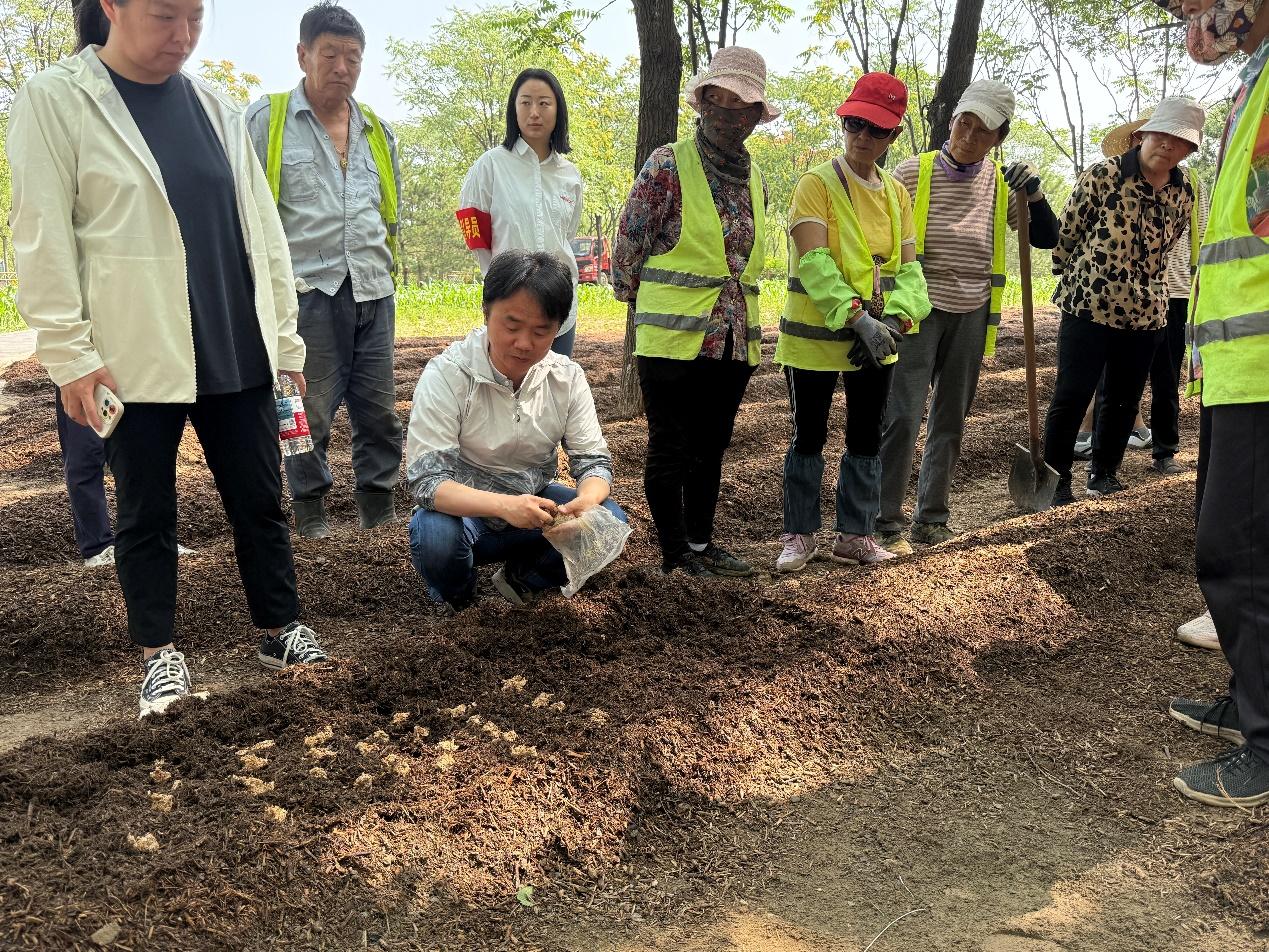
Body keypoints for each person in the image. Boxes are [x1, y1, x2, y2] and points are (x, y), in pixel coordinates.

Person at [9, 0, 327, 717]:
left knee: (258, 499)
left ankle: (280, 628)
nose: (182, 36)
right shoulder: (56, 100)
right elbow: (41, 237)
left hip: (234, 340)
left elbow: (263, 233)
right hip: (133, 348)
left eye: (195, 18)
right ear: (111, 7)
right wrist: (70, 355)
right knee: (146, 511)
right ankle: (159, 655)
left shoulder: (215, 107)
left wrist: (284, 342)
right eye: (163, 16)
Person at [1151, 0, 1269, 808]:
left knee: (1237, 553)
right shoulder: (1252, 83)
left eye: (1194, 3)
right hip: (1236, 364)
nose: (1190, 20)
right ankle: (1246, 699)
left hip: (1261, 364)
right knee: (1232, 544)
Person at [877, 80, 1060, 556]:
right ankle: (885, 520)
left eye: (983, 131)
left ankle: (931, 518)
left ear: (999, 138)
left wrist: (1035, 194)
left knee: (950, 417)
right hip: (916, 308)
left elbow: (1046, 238)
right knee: (902, 414)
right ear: (953, 120)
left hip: (972, 308)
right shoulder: (912, 172)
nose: (969, 136)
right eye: (965, 123)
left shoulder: (1003, 184)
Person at [613, 47, 776, 578]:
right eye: (719, 102)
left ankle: (702, 545)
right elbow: (630, 244)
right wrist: (640, 301)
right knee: (672, 446)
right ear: (702, 104)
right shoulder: (669, 164)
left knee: (712, 445)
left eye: (742, 107)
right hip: (672, 337)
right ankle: (675, 555)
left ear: (756, 116)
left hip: (732, 337)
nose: (729, 116)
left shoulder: (755, 179)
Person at [246, 2, 404, 540]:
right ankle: (309, 509)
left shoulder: (378, 131)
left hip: (373, 291)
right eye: (330, 54)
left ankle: (378, 506)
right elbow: (243, 211)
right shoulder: (265, 122)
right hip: (304, 294)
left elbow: (389, 213)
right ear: (303, 54)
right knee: (301, 409)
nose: (342, 67)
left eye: (352, 58)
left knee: (379, 411)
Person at [405, 250, 625, 610]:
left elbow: (594, 463)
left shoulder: (566, 378)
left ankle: (523, 578)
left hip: (534, 502)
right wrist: (505, 505)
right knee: (435, 536)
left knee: (609, 518)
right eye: (512, 326)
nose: (524, 343)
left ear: (559, 328)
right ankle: (458, 594)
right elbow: (428, 482)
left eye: (541, 331)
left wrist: (585, 502)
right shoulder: (448, 375)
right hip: (466, 512)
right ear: (486, 311)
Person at [773, 72, 931, 573]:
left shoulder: (896, 193)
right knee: (808, 432)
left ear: (893, 135)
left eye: (877, 129)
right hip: (816, 337)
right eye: (855, 124)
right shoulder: (816, 184)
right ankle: (800, 533)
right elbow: (814, 261)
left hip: (877, 338)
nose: (863, 136)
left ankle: (855, 535)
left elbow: (909, 268)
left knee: (866, 432)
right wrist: (858, 318)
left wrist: (896, 320)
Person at [1042, 97, 1201, 505]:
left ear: (1188, 149)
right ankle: (1056, 480)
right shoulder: (1104, 175)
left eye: (1180, 140)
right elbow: (1067, 234)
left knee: (1124, 397)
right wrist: (1078, 276)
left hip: (1147, 312)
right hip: (1089, 305)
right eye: (1161, 134)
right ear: (1143, 134)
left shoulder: (1184, 192)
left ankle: (1104, 473)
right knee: (1073, 394)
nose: (1168, 144)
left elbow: (1170, 244)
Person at [1073, 113, 1211, 475]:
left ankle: (1165, 450)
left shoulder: (1189, 186)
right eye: (1146, 138)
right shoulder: (1115, 180)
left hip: (1173, 292)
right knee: (1112, 379)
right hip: (1117, 297)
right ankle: (1101, 452)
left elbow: (1202, 235)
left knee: (1166, 377)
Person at [458, 68, 583, 358]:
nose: (534, 112)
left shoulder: (570, 175)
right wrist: (500, 286)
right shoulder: (490, 166)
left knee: (555, 382)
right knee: (508, 383)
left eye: (544, 103)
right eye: (525, 102)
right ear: (514, 109)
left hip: (558, 307)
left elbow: (567, 234)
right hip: (509, 306)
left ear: (558, 110)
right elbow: (475, 236)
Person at [53, 390, 115, 567]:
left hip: (140, 380)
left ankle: (156, 534)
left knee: (145, 452)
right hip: (83, 379)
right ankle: (98, 548)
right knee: (85, 453)